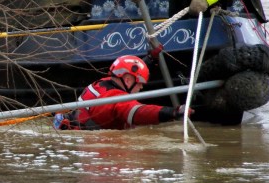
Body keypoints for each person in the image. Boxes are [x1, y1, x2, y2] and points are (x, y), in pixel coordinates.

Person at [54, 55, 192, 130]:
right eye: (140, 84)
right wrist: (173, 112)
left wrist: (149, 58)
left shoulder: (102, 83)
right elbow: (139, 112)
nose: (141, 88)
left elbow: (129, 71)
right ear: (127, 80)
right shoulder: (115, 100)